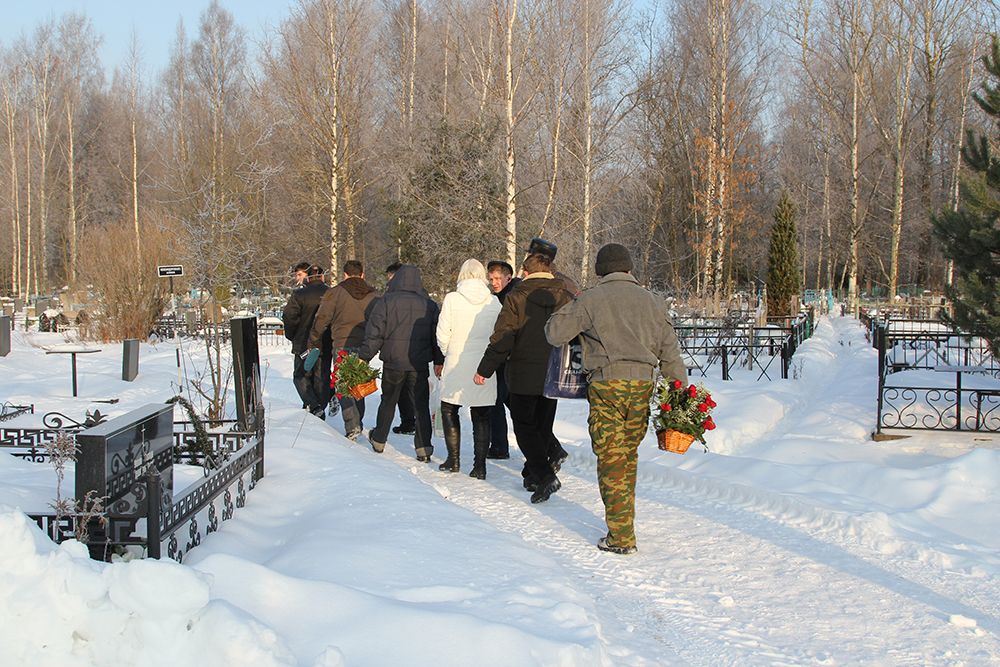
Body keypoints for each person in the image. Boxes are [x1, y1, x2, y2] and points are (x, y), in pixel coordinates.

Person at [545, 243, 687, 555]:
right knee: (626, 456)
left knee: (611, 458)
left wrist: (567, 307)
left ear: (600, 269)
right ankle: (623, 526)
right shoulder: (653, 302)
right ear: (629, 268)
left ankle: (621, 536)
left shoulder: (592, 299)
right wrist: (680, 398)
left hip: (606, 386)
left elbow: (554, 333)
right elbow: (671, 355)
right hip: (641, 388)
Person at [475, 245, 574, 503]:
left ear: (525, 272)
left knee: (524, 426)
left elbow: (503, 337)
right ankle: (533, 475)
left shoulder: (516, 296)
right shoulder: (565, 296)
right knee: (542, 425)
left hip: (523, 371)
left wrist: (485, 368)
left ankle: (544, 475)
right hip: (554, 371)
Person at [359, 264, 444, 462]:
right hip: (418, 363)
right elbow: (436, 337)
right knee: (420, 405)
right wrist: (439, 360)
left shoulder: (386, 302)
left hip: (393, 361)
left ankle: (379, 438)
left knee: (388, 400)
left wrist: (364, 357)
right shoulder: (429, 305)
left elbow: (375, 333)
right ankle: (423, 447)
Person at [437, 259, 502, 478]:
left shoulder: (452, 299)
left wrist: (449, 352)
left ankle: (453, 460)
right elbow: (500, 334)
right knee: (481, 414)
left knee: (449, 408)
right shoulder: (493, 302)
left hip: (457, 361)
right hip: (484, 364)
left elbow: (442, 332)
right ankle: (480, 466)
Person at [308, 260, 377, 440]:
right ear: (362, 274)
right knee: (357, 383)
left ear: (344, 274)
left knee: (342, 384)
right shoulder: (374, 294)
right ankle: (357, 421)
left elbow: (322, 318)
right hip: (365, 345)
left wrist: (314, 340)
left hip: (342, 343)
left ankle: (352, 424)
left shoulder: (335, 293)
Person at [282, 264, 330, 418]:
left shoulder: (299, 294)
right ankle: (319, 407)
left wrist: (292, 335)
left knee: (301, 375)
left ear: (308, 277)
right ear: (322, 277)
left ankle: (313, 406)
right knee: (321, 376)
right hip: (325, 341)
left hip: (303, 342)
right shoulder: (332, 294)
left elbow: (289, 317)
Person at [485, 260, 517, 460]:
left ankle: (499, 446)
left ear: (508, 277)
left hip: (508, 360)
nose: (494, 283)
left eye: (498, 278)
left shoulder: (510, 298)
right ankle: (551, 447)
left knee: (496, 402)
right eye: (491, 279)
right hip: (505, 360)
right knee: (510, 404)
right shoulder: (500, 297)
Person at [386, 261, 416, 436]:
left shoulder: (390, 300)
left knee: (392, 395)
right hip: (415, 354)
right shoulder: (422, 297)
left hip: (396, 353)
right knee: (407, 392)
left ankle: (381, 434)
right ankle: (409, 422)